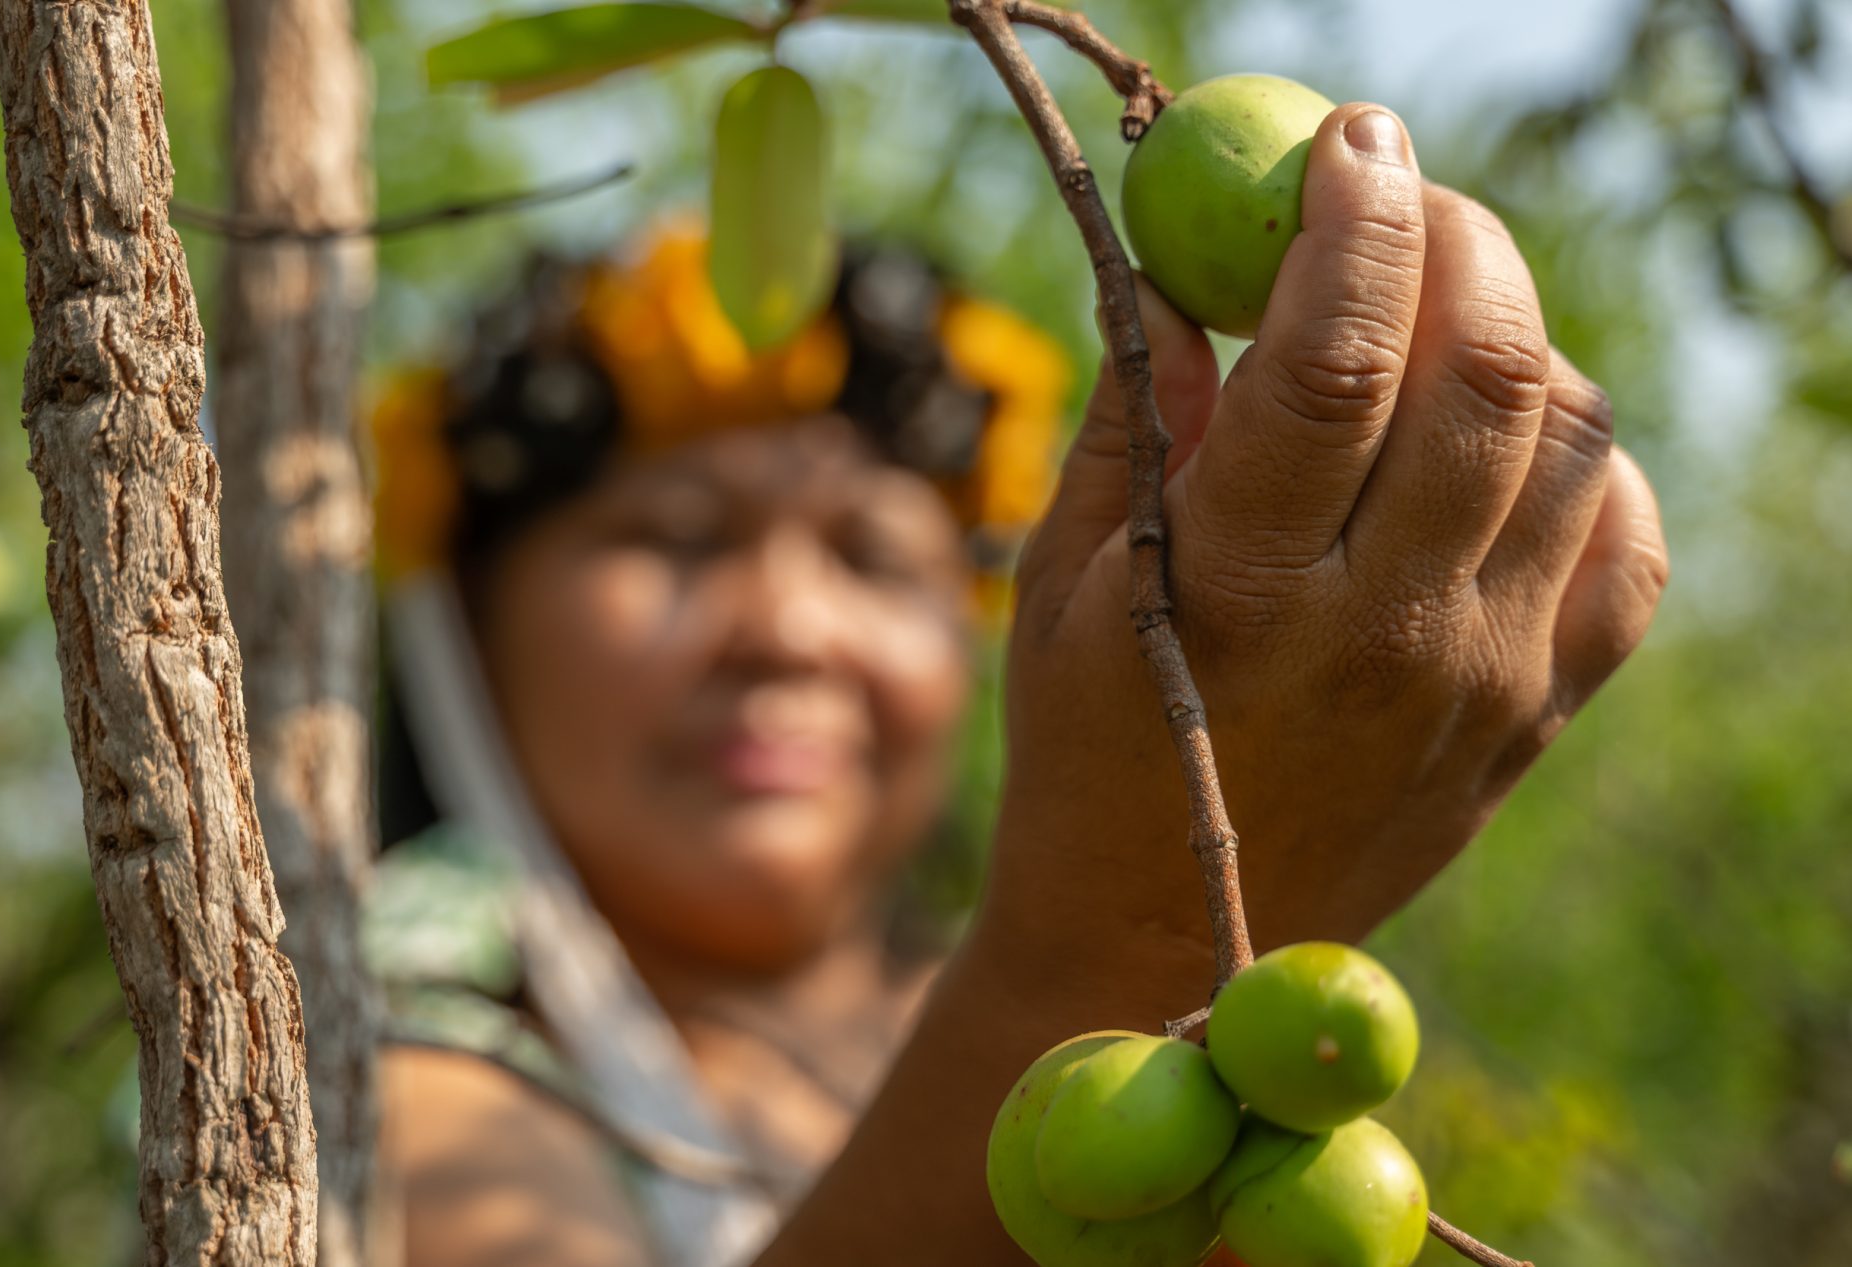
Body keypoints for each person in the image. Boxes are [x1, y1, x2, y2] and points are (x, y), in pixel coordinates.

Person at [364, 103, 1669, 1267]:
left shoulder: (1222, 1090)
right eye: (677, 539)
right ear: (465, 628)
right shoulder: (360, 1057)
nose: (787, 629)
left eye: (870, 554)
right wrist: (1133, 931)